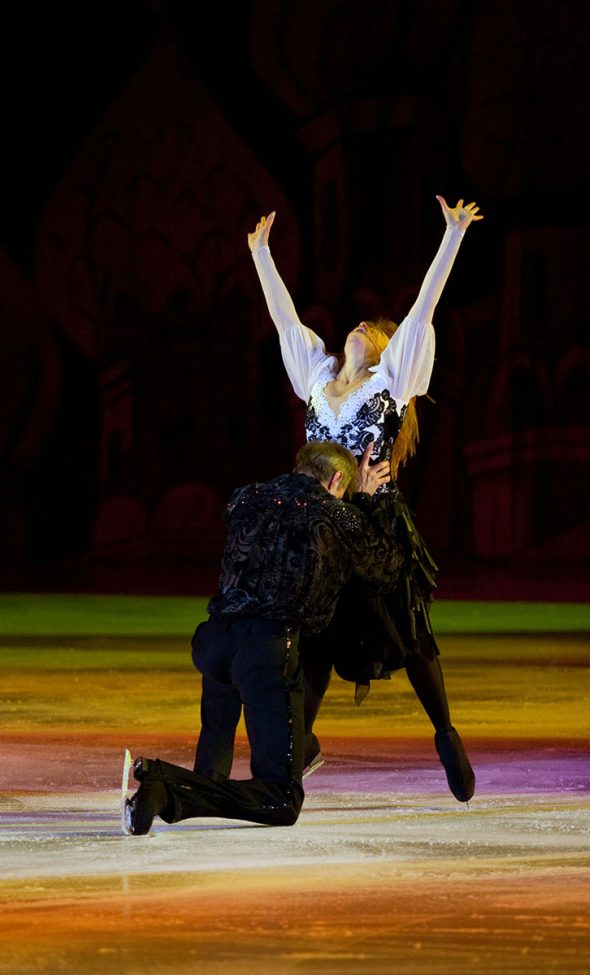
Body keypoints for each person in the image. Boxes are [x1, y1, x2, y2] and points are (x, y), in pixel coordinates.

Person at [247, 195, 483, 803]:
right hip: (321, 528)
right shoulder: (317, 380)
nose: (358, 325)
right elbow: (283, 319)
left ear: (382, 346)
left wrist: (452, 236)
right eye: (356, 324)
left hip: (375, 525)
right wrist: (263, 254)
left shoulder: (390, 379)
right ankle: (301, 748)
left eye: (369, 329)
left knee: (410, 632)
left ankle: (446, 734)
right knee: (317, 638)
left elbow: (425, 304)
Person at [123, 439, 403, 835]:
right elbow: (386, 565)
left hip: (215, 640)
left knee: (213, 765)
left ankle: (168, 791)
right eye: (344, 487)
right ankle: (164, 784)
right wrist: (366, 502)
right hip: (267, 650)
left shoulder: (246, 496)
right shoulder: (336, 512)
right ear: (338, 478)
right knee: (281, 799)